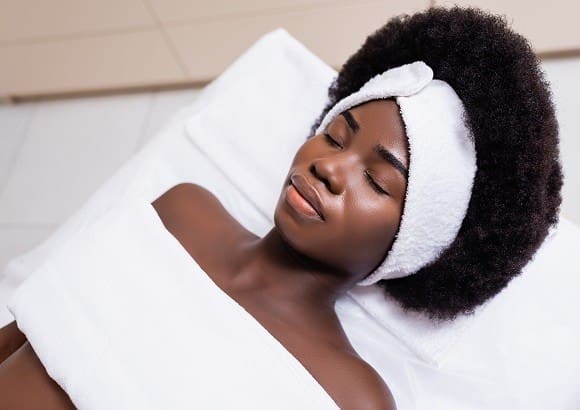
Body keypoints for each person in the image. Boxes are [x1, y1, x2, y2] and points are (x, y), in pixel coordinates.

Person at [0, 6, 562, 409]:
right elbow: (28, 326)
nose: (329, 167)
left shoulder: (350, 396)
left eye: (376, 179)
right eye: (337, 135)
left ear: (411, 246)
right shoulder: (181, 213)